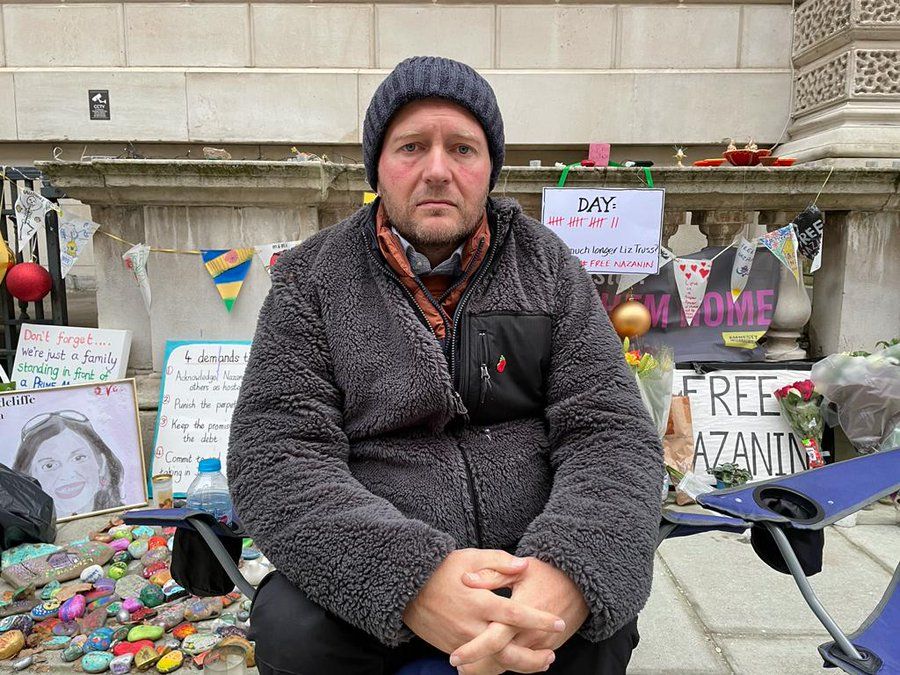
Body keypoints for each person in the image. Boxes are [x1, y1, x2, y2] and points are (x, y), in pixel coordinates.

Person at [228, 56, 663, 675]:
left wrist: (567, 566)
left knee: (598, 624)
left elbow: (611, 432)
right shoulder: (311, 278)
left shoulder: (546, 265)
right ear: (377, 165)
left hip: (532, 557)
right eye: (411, 147)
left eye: (462, 148)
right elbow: (277, 453)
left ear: (490, 168)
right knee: (290, 631)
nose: (437, 170)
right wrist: (413, 580)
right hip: (375, 559)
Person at [13, 409, 124, 518]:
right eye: (49, 465)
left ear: (101, 464)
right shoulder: (22, 532)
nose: (68, 474)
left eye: (79, 458)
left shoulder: (125, 519)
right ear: (28, 478)